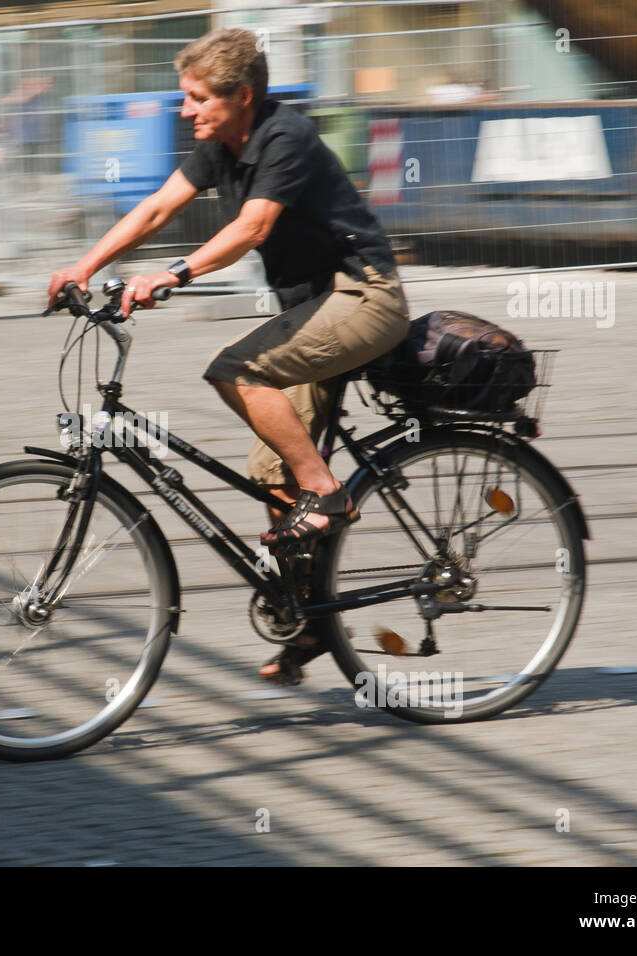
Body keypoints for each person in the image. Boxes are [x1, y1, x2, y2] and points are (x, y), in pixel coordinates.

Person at [46, 27, 412, 685]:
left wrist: (173, 274)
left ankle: (329, 491)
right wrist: (85, 264)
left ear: (241, 95)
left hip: (364, 295)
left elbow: (253, 228)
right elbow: (159, 207)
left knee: (234, 369)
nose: (186, 111)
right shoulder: (220, 145)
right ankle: (309, 621)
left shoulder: (283, 138)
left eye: (195, 98)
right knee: (272, 467)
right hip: (311, 307)